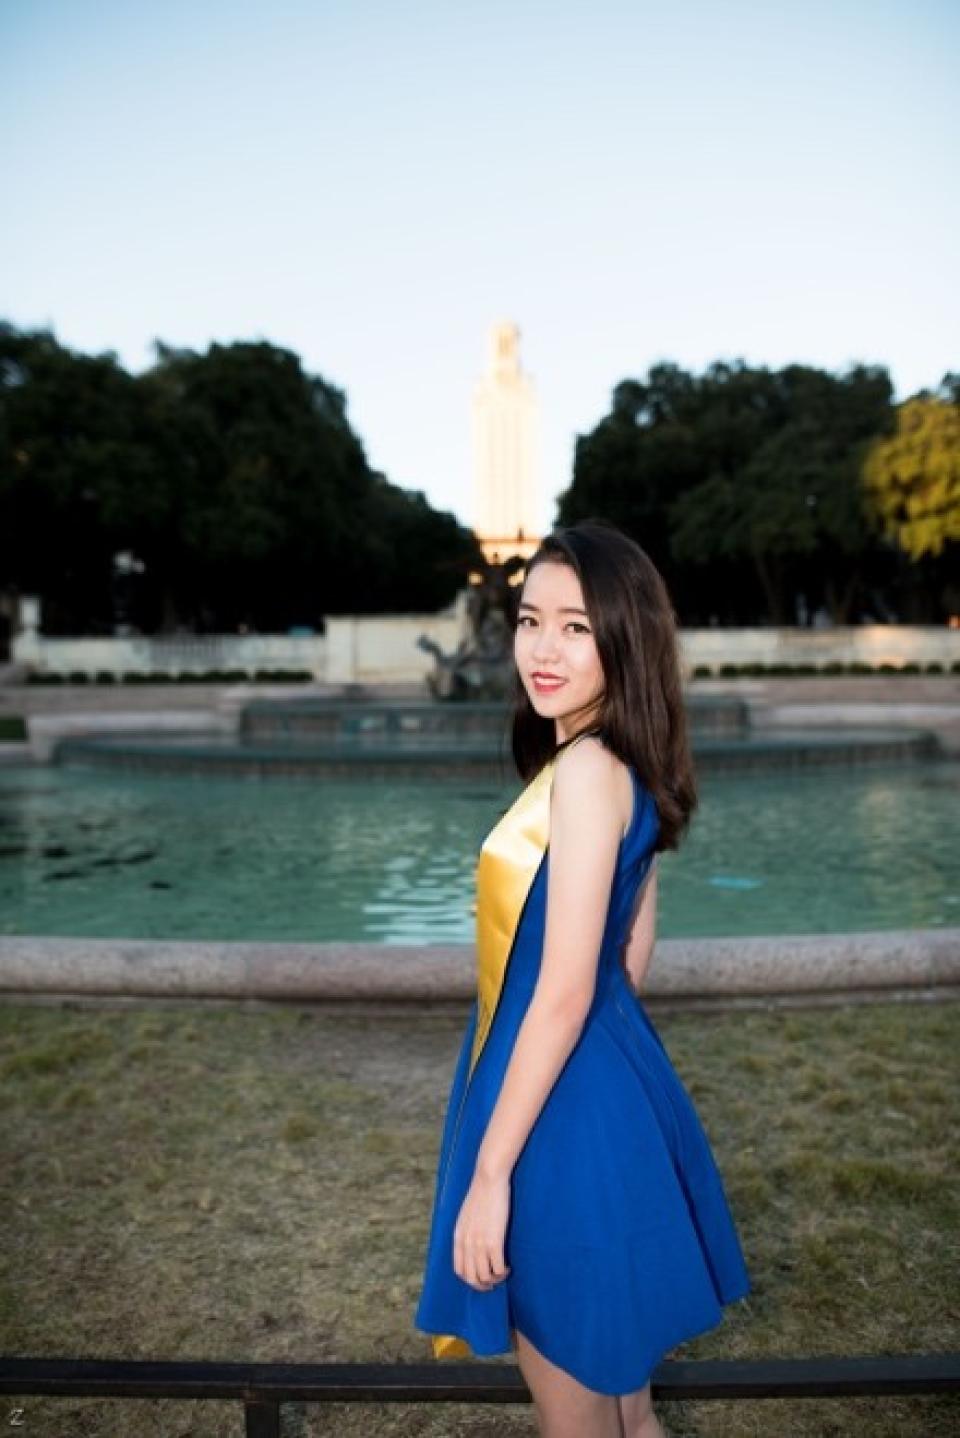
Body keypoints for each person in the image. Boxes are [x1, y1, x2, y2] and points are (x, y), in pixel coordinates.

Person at [414, 519, 751, 1437]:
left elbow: (565, 990)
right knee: (627, 1415)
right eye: (531, 620)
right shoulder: (624, 762)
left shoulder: (586, 769)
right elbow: (626, 964)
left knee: (579, 1426)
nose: (544, 647)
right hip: (606, 1090)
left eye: (576, 625)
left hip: (555, 1121)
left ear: (622, 638)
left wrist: (490, 1172)